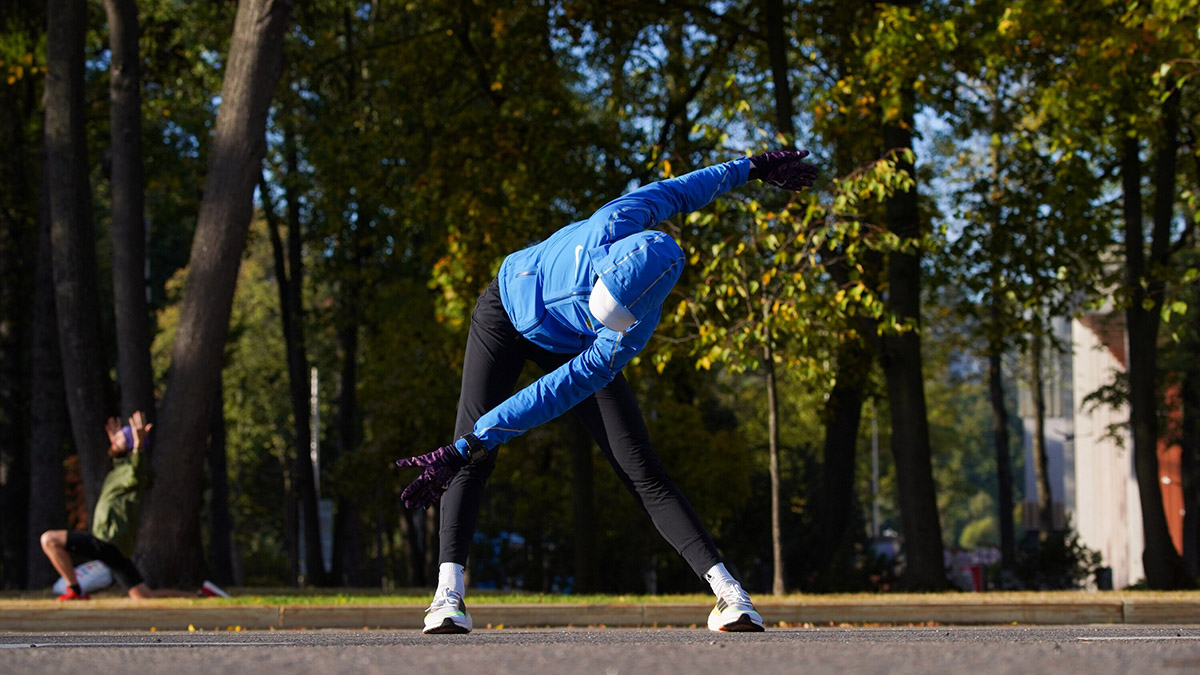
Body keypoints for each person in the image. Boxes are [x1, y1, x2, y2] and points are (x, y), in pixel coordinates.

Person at [395, 151, 818, 634]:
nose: (609, 323)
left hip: (573, 346)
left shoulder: (626, 334)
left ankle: (729, 592)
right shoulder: (618, 218)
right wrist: (754, 165)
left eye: (613, 321)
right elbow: (684, 188)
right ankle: (447, 595)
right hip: (507, 312)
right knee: (470, 450)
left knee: (639, 463)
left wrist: (480, 437)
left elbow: (554, 391)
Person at [40, 410, 230, 600]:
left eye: (121, 438)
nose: (115, 440)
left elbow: (138, 471)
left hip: (107, 540)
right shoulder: (120, 469)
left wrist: (138, 446)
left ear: (131, 446)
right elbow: (126, 463)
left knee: (49, 540)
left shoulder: (132, 473)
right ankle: (202, 595)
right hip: (116, 547)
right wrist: (118, 442)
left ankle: (75, 590)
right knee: (143, 595)